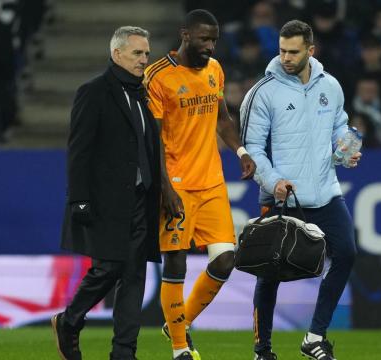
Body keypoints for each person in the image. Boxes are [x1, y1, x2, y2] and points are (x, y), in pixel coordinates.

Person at [240, 19, 361, 360]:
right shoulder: (263, 92)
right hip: (282, 195)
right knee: (269, 272)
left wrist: (347, 149)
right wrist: (273, 180)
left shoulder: (331, 86)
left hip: (325, 191)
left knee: (347, 253)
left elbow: (341, 125)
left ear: (311, 50)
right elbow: (252, 147)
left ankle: (314, 336)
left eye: (293, 52)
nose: (286, 58)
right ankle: (262, 350)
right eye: (281, 51)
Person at [144, 9, 256, 360]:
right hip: (175, 183)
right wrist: (165, 189)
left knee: (226, 261)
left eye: (214, 40)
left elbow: (222, 118)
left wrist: (240, 150)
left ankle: (179, 322)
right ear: (185, 34)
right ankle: (179, 348)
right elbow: (153, 140)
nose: (210, 46)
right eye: (204, 39)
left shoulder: (215, 70)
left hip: (211, 183)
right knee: (175, 263)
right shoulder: (158, 76)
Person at [53, 26, 162, 360]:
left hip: (141, 200)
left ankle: (124, 352)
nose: (144, 59)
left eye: (146, 53)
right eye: (137, 53)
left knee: (134, 275)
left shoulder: (143, 95)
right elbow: (79, 151)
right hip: (105, 202)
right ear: (117, 54)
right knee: (108, 268)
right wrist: (80, 199)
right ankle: (70, 320)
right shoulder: (94, 91)